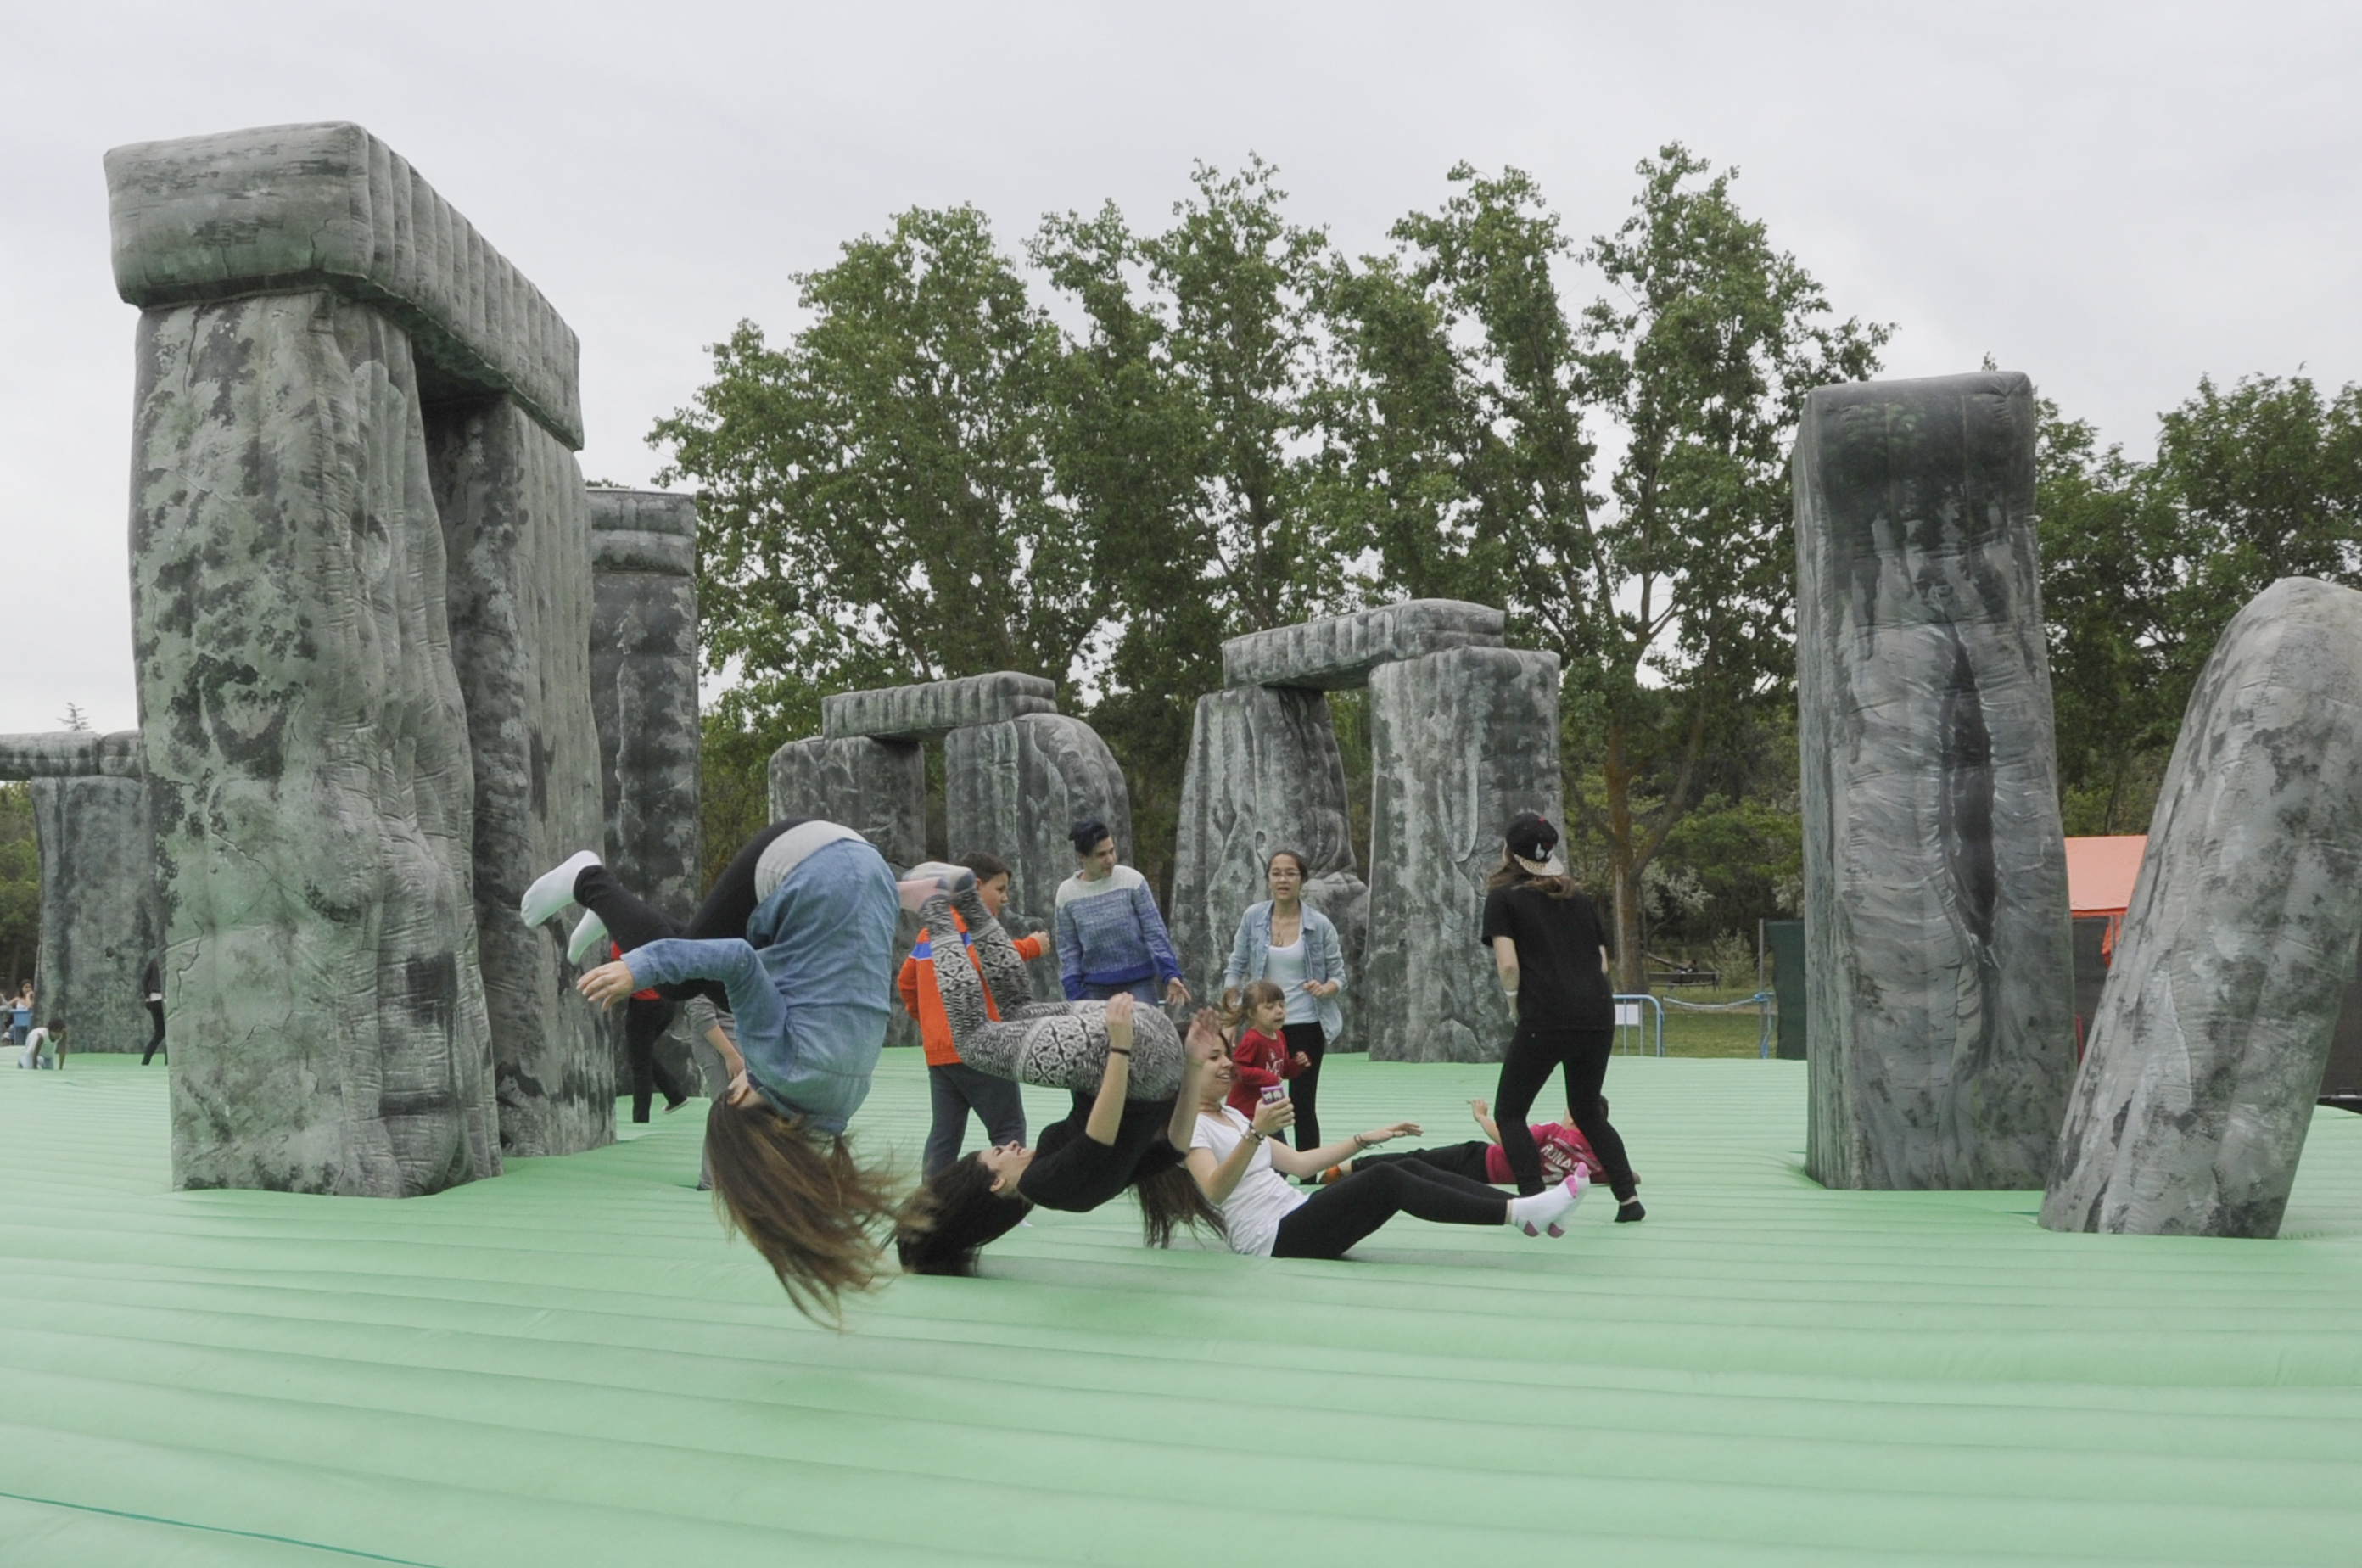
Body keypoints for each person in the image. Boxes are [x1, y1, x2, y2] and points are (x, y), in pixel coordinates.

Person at [520, 819, 916, 1322]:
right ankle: (588, 881)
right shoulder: (781, 1071)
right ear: (739, 1099)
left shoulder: (838, 1105)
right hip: (807, 859)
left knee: (707, 977)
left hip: (867, 874)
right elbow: (738, 959)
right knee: (679, 983)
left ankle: (620, 917)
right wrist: (639, 968)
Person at [894, 881, 1221, 1274]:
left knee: (1016, 1010)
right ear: (997, 1184)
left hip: (1154, 1054)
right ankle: (936, 908)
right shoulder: (1043, 1185)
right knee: (971, 1041)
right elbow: (1098, 1138)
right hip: (1132, 1056)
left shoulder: (1066, 1186)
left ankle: (966, 898)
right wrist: (1120, 1049)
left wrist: (1192, 1063)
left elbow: (1176, 1146)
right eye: (998, 1153)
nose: (1009, 1145)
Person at [1186, 1047, 1586, 1257]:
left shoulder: (1232, 1117)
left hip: (1295, 1212)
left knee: (1407, 1164)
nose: (1227, 1064)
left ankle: (1526, 1210)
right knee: (1385, 1179)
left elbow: (1300, 1163)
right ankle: (1521, 1214)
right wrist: (1257, 1130)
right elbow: (1214, 1191)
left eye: (1226, 1055)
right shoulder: (1192, 1128)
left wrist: (1365, 1139)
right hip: (1270, 1238)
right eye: (1213, 1058)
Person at [1482, 812, 1643, 1223]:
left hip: (1546, 1016)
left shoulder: (1503, 898)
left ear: (1508, 852)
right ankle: (1628, 1199)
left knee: (1510, 1113)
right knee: (1586, 1110)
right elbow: (1602, 964)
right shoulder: (1580, 900)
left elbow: (1508, 965)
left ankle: (1535, 1201)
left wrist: (1515, 1004)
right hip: (1597, 1015)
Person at [901, 851, 1042, 1179]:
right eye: (1000, 889)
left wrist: (930, 1021)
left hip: (940, 1053)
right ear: (975, 886)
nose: (1005, 898)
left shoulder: (928, 934)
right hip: (981, 1047)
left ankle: (930, 1199)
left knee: (944, 1135)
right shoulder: (975, 928)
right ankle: (1010, 1196)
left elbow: (906, 982)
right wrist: (1031, 946)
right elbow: (982, 960)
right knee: (1008, 1129)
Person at [1220, 848, 1346, 1154]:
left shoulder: (1319, 925)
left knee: (1302, 1105)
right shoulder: (1253, 918)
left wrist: (1324, 989)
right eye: (1276, 873)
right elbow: (1235, 967)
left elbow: (1339, 977)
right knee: (1255, 1101)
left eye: (1291, 873)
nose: (1283, 880)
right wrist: (1231, 1018)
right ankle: (1260, 1167)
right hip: (1261, 1029)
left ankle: (1308, 1174)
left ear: (1302, 879)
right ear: (1268, 879)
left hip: (1306, 1025)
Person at [1318, 1096, 1604, 1190]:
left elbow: (1509, 1140)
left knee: (1417, 1159)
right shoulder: (1594, 1160)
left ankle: (1346, 1169)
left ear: (1573, 1115)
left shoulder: (1553, 1131)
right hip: (1486, 1180)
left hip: (1479, 1159)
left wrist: (1481, 1117)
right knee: (1421, 1173)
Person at [1054, 819, 1188, 1007]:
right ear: (1081, 856)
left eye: (1112, 851)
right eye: (1101, 855)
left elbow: (1155, 932)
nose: (1110, 859)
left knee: (1146, 1026)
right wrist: (1076, 995)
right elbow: (1068, 950)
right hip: (1094, 988)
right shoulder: (1067, 894)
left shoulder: (1132, 881)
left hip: (1139, 983)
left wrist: (1170, 975)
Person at [1220, 980, 1307, 1123]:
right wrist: (1267, 1077)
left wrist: (1297, 1064)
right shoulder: (1253, 1039)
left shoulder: (1280, 1036)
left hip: (1270, 1110)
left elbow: (1281, 1072)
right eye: (1270, 1007)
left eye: (1281, 1005)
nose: (1279, 1011)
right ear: (1252, 1013)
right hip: (1246, 1114)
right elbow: (1237, 1069)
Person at [140, 959, 166, 1066]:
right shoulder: (171, 959)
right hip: (166, 998)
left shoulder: (154, 961)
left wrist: (147, 998)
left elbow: (144, 980)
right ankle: (168, 1062)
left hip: (154, 999)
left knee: (159, 1032)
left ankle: (146, 1060)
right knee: (167, 1032)